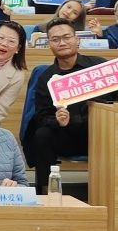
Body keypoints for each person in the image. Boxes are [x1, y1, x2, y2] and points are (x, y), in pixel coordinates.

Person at [26, 17, 108, 192]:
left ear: (77, 39)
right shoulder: (46, 77)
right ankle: (45, 192)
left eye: (66, 37)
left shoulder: (98, 66)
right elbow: (42, 115)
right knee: (42, 135)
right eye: (55, 39)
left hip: (98, 133)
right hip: (66, 135)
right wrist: (57, 121)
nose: (62, 43)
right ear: (49, 44)